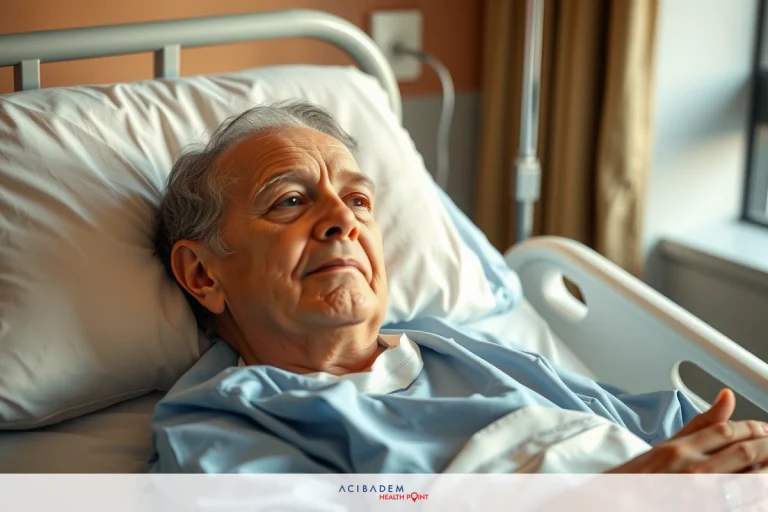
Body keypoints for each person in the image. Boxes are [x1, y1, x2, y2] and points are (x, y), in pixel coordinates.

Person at [149, 101, 768, 475]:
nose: (344, 219)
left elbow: (660, 427)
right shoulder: (223, 422)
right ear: (204, 274)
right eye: (289, 200)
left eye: (359, 200)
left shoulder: (462, 347)